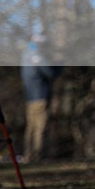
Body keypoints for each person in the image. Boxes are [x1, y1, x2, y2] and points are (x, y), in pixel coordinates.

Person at [21, 34, 62, 162]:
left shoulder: (26, 54)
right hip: (40, 97)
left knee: (31, 128)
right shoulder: (37, 56)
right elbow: (49, 73)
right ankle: (38, 156)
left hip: (30, 97)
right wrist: (60, 65)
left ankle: (28, 155)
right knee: (40, 127)